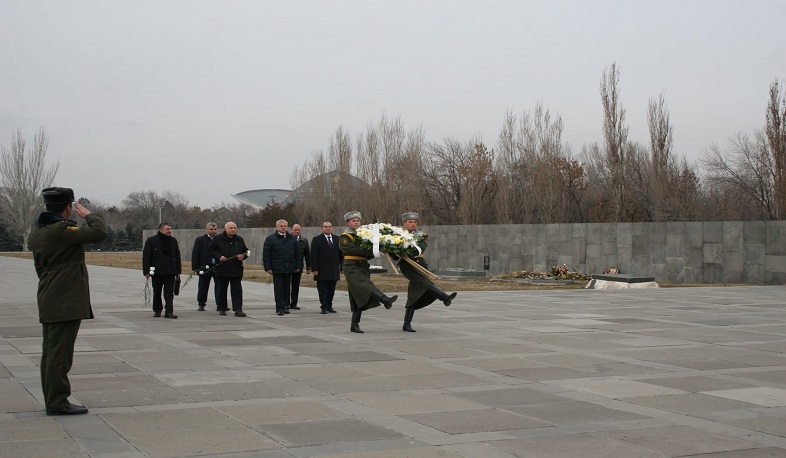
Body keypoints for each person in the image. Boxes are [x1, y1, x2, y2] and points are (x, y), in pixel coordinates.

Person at [29, 187, 108, 415]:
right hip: (64, 298)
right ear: (67, 206)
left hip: (50, 293)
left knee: (51, 352)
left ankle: (54, 399)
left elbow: (40, 267)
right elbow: (98, 233)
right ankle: (57, 402)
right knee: (60, 354)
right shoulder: (61, 229)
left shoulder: (38, 230)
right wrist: (89, 215)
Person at [397, 212, 457, 332]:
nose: (413, 224)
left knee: (414, 293)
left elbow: (417, 251)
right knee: (424, 282)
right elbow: (395, 256)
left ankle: (406, 323)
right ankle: (443, 297)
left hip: (420, 264)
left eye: (415, 222)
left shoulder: (422, 236)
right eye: (410, 222)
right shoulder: (396, 236)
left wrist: (402, 249)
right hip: (407, 265)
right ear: (404, 223)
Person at [339, 211, 398, 333]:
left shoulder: (363, 236)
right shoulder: (345, 237)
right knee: (365, 285)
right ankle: (384, 299)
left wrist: (378, 248)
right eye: (353, 221)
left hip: (363, 266)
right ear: (348, 223)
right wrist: (373, 249)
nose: (356, 223)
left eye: (358, 221)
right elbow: (354, 249)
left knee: (357, 295)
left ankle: (354, 324)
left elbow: (366, 255)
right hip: (351, 267)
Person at [209, 221, 249, 317]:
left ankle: (238, 309)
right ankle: (222, 308)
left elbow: (246, 251)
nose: (233, 229)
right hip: (222, 268)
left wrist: (243, 256)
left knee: (237, 290)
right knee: (221, 289)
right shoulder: (218, 239)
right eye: (231, 228)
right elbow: (210, 250)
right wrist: (219, 257)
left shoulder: (239, 239)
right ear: (225, 229)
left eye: (234, 228)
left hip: (236, 269)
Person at [142, 223, 182, 319]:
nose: (169, 231)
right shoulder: (151, 240)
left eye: (170, 229)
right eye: (167, 229)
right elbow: (146, 256)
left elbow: (177, 255)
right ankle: (157, 310)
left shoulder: (173, 241)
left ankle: (169, 311)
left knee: (169, 293)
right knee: (157, 291)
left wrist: (178, 270)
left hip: (170, 271)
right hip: (157, 271)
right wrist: (146, 271)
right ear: (161, 229)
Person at [263, 219, 302, 316]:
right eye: (281, 226)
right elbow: (266, 254)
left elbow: (298, 254)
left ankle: (286, 305)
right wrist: (268, 267)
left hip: (289, 267)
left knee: (287, 287)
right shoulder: (270, 239)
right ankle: (280, 307)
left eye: (285, 226)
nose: (283, 227)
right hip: (277, 267)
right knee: (279, 288)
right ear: (277, 227)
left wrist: (298, 266)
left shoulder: (292, 239)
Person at [310, 221, 342, 314]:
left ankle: (329, 306)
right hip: (322, 270)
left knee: (331, 290)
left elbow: (341, 255)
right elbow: (314, 255)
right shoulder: (317, 239)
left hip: (333, 269)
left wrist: (342, 267)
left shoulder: (337, 239)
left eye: (329, 227)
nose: (328, 228)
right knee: (322, 290)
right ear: (322, 228)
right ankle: (323, 306)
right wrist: (314, 269)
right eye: (326, 227)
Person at [191, 222, 219, 311]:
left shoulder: (220, 239)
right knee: (203, 286)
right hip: (205, 267)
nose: (213, 231)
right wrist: (196, 268)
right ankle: (201, 303)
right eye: (211, 229)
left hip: (218, 266)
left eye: (215, 229)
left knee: (220, 287)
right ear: (206, 229)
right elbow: (195, 254)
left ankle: (220, 304)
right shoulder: (200, 240)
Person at [289, 223, 311, 310]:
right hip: (287, 266)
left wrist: (309, 267)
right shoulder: (286, 239)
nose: (297, 231)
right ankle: (285, 303)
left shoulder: (304, 241)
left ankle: (293, 303)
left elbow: (307, 255)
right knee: (285, 285)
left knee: (295, 286)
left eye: (299, 230)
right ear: (291, 230)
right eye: (295, 229)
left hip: (298, 267)